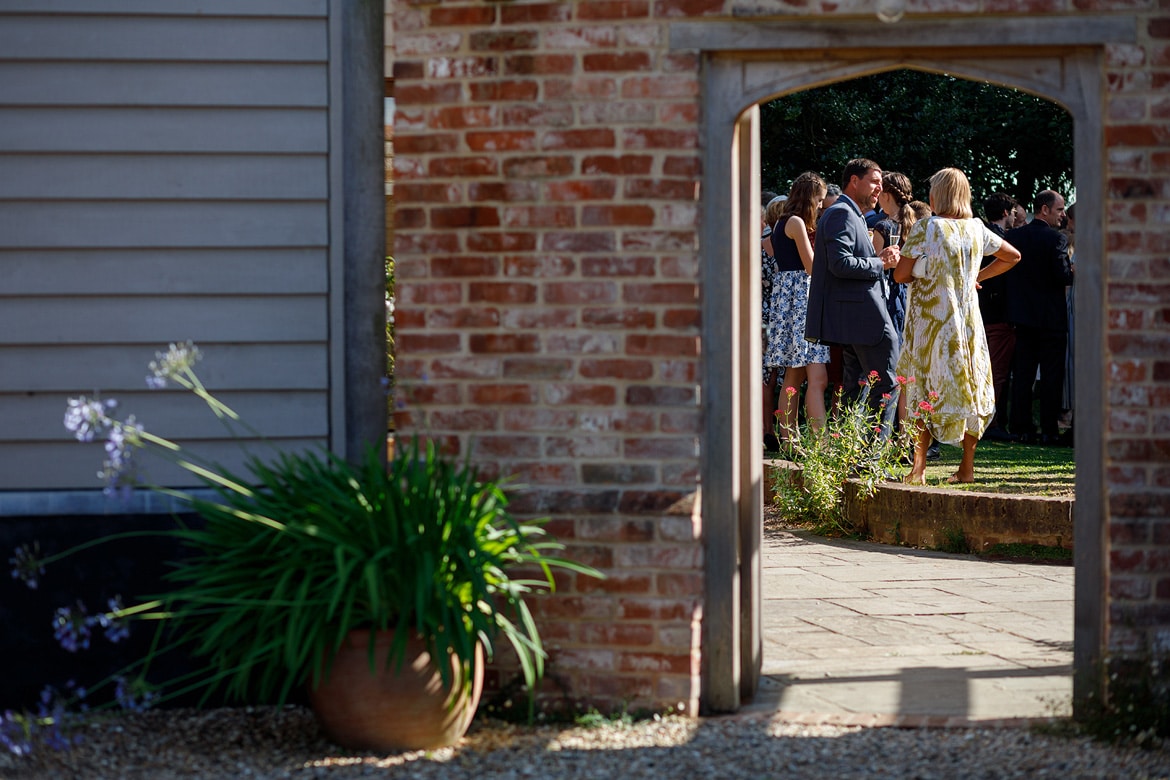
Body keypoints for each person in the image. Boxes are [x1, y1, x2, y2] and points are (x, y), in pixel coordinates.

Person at [895, 168, 1021, 484]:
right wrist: (975, 276)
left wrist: (926, 272)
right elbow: (1013, 256)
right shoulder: (977, 229)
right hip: (966, 324)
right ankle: (966, 468)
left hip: (931, 322)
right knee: (970, 388)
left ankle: (919, 469)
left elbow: (900, 275)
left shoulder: (926, 227)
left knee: (923, 387)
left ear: (938, 195)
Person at [805, 158, 901, 436]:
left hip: (857, 318)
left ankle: (849, 456)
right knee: (886, 383)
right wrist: (880, 263)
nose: (878, 189)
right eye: (874, 182)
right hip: (864, 318)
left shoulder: (851, 214)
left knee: (855, 390)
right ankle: (869, 461)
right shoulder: (841, 214)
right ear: (854, 181)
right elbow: (840, 263)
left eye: (881, 184)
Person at [1004, 189, 1075, 445]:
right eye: (1059, 210)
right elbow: (1063, 276)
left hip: (1022, 317)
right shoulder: (1056, 239)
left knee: (1023, 375)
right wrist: (1072, 269)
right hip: (1051, 320)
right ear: (1044, 209)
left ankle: (1021, 427)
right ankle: (1048, 429)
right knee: (1051, 376)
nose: (1063, 215)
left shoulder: (1015, 236)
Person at [766, 172, 831, 441]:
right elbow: (811, 266)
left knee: (793, 375)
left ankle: (788, 439)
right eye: (819, 201)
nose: (820, 207)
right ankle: (821, 442)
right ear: (809, 198)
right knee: (818, 378)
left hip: (788, 302)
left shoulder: (781, 224)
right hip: (802, 301)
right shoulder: (795, 223)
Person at [978, 192, 1020, 442]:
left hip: (981, 311)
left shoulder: (980, 233)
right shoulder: (999, 240)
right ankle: (990, 421)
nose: (1015, 217)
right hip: (999, 315)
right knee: (996, 371)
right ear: (1006, 213)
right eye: (1014, 213)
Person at [872, 171, 918, 341]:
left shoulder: (882, 227)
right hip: (913, 294)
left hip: (889, 295)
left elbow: (873, 267)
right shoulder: (917, 227)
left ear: (886, 195)